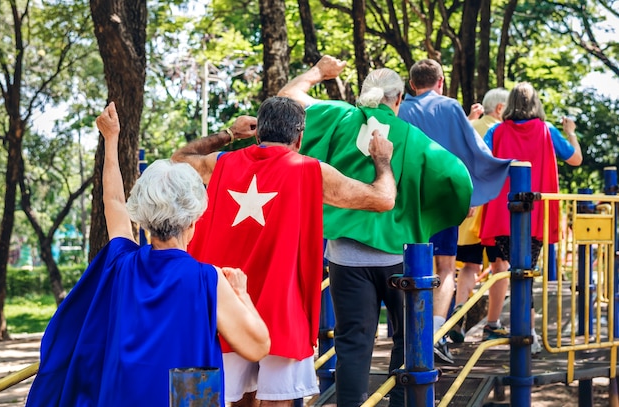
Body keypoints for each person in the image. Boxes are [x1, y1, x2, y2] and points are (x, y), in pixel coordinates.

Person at [26, 102, 271, 407]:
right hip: (184, 398)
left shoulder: (121, 263)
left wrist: (111, 139)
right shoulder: (207, 279)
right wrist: (241, 293)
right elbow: (258, 346)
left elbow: (113, 200)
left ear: (141, 218)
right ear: (194, 218)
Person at [171, 96, 399, 407]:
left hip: (227, 308)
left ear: (259, 132)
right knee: (279, 401)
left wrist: (229, 133)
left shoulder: (220, 164)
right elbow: (383, 198)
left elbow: (179, 158)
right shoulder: (311, 172)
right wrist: (382, 159)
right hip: (283, 310)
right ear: (300, 136)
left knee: (235, 399)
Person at [278, 55, 472, 406]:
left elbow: (288, 99)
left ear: (363, 95)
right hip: (401, 259)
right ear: (398, 99)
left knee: (352, 342)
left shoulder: (338, 117)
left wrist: (319, 73)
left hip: (345, 257)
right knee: (406, 340)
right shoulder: (414, 138)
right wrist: (435, 215)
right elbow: (458, 179)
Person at [397, 59, 512, 364]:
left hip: (408, 201)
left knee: (409, 266)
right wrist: (474, 191)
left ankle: (410, 334)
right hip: (444, 198)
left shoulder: (400, 109)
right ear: (441, 81)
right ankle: (435, 333)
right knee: (446, 267)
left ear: (411, 85)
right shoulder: (449, 107)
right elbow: (472, 150)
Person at [479, 82, 582, 354]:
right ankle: (529, 334)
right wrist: (570, 133)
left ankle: (511, 328)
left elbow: (481, 158)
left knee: (507, 270)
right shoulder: (547, 131)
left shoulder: (497, 130)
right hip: (536, 216)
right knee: (526, 274)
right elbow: (575, 159)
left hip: (502, 214)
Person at [449, 87, 510, 343]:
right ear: (499, 109)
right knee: (499, 265)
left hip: (469, 212)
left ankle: (458, 319)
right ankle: (493, 323)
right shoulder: (501, 132)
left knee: (468, 267)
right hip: (492, 212)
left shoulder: (470, 127)